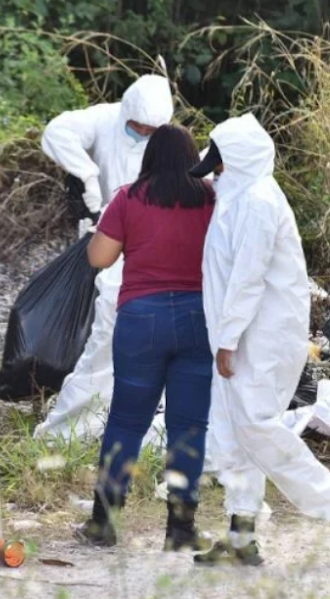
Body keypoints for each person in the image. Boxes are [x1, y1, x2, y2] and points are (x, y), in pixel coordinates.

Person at [192, 114, 330, 566]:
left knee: (255, 426)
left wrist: (228, 339)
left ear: (240, 162)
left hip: (261, 338)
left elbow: (247, 279)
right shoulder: (239, 198)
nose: (214, 173)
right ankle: (241, 534)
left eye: (220, 165)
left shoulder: (258, 203)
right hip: (237, 336)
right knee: (232, 431)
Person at [73, 125, 216, 552]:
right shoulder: (211, 197)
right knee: (189, 426)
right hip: (198, 318)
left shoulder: (129, 197)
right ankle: (181, 528)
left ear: (149, 157)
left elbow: (99, 257)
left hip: (141, 320)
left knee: (127, 421)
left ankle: (104, 523)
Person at [35, 74, 175, 444]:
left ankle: (117, 413)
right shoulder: (103, 119)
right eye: (137, 126)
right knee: (102, 329)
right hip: (106, 240)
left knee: (126, 334)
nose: (142, 132)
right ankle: (85, 413)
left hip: (147, 249)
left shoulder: (168, 144)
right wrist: (87, 175)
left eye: (150, 129)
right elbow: (56, 132)